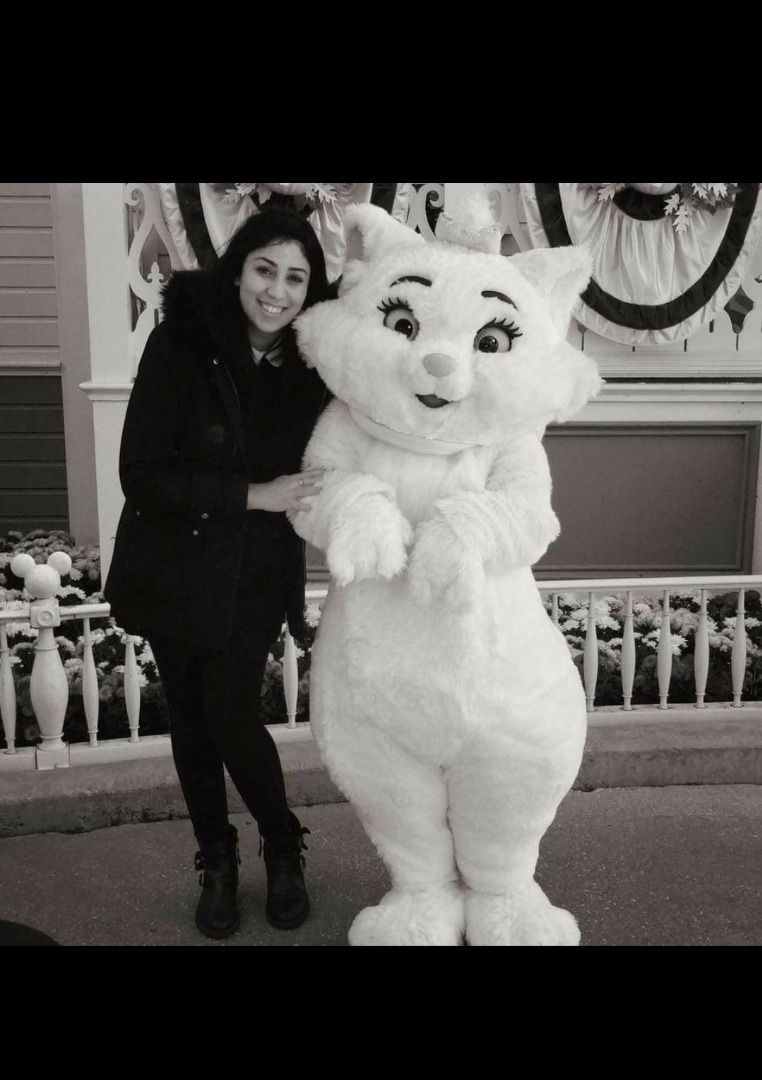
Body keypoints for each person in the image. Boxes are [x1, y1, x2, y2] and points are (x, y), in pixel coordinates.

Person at [104, 208, 331, 939]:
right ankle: (219, 860)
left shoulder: (314, 364)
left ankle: (282, 842)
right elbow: (142, 474)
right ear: (237, 272)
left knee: (230, 712)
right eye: (265, 270)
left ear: (311, 290)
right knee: (193, 723)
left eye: (295, 277)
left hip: (256, 569)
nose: (277, 291)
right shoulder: (181, 342)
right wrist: (254, 494)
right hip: (173, 562)